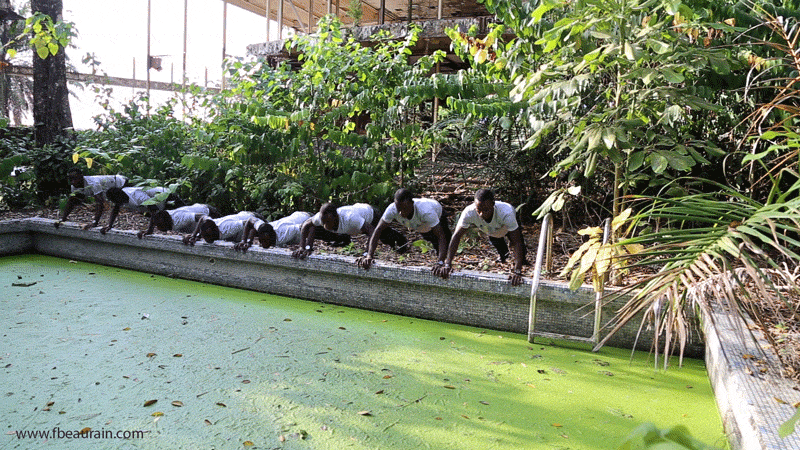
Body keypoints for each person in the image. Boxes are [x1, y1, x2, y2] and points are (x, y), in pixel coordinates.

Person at [433, 189, 527, 286]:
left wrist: (517, 271)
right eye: (479, 210)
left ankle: (522, 262)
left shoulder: (506, 213)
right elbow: (456, 237)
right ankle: (503, 257)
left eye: (486, 210)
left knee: (517, 244)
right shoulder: (469, 212)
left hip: (505, 225)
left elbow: (517, 242)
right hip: (491, 229)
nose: (482, 214)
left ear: (493, 204)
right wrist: (447, 263)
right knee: (495, 240)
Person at [356, 188, 451, 270]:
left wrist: (440, 262)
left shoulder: (426, 211)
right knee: (429, 238)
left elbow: (441, 236)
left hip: (438, 215)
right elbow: (377, 231)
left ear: (411, 204)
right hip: (420, 225)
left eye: (404, 208)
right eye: (398, 209)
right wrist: (369, 255)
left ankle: (444, 263)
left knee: (441, 241)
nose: (401, 213)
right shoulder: (392, 209)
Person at [291, 202, 406, 259]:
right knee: (318, 229)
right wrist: (304, 247)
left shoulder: (350, 217)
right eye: (323, 222)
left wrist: (367, 254)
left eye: (328, 222)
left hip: (371, 216)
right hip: (349, 228)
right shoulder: (321, 218)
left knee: (385, 236)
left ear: (335, 217)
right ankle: (343, 239)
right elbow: (306, 225)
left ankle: (403, 244)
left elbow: (372, 231)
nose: (325, 225)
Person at [54, 167, 128, 230]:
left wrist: (94, 223)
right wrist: (63, 219)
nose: (73, 182)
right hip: (110, 189)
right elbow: (71, 202)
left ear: (81, 177)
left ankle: (110, 225)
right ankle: (109, 224)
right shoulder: (74, 186)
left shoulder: (93, 183)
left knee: (119, 203)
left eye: (75, 179)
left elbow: (100, 203)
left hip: (121, 182)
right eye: (71, 179)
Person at [100, 186, 185, 234]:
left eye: (114, 201)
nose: (115, 203)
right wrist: (109, 225)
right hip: (160, 204)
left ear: (118, 197)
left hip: (167, 197)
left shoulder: (136, 196)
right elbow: (115, 210)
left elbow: (154, 210)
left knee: (181, 215)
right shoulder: (122, 196)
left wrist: (149, 231)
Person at [234, 211, 311, 251]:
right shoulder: (262, 227)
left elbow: (305, 227)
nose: (263, 244)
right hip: (294, 217)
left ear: (272, 238)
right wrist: (246, 241)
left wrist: (303, 247)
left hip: (306, 217)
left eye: (265, 241)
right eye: (262, 240)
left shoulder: (284, 233)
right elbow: (250, 221)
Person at [137, 203, 221, 239]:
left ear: (167, 223)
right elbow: (154, 215)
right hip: (194, 222)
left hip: (209, 212)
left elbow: (202, 217)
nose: (158, 228)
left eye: (159, 226)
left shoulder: (180, 218)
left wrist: (194, 235)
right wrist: (149, 231)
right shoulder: (164, 215)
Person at [183, 211, 261, 246]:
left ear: (215, 231)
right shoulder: (210, 224)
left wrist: (246, 241)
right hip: (241, 216)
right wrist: (194, 235)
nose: (205, 239)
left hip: (253, 217)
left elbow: (251, 222)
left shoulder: (228, 227)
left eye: (207, 237)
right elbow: (203, 217)